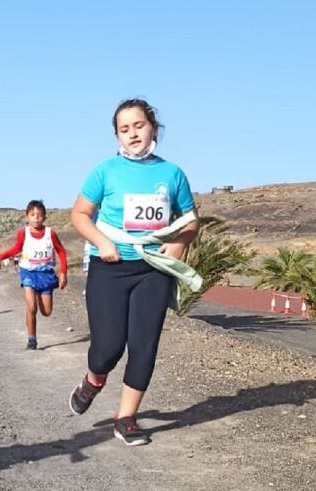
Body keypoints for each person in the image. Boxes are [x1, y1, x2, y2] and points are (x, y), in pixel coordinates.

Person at [67, 98, 202, 446]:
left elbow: (190, 220)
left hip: (153, 269)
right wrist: (102, 241)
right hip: (109, 266)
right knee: (108, 348)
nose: (133, 134)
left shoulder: (172, 174)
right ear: (116, 137)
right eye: (124, 129)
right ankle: (94, 380)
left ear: (153, 128)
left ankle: (126, 418)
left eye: (138, 126)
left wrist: (178, 245)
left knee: (144, 346)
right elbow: (80, 215)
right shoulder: (104, 171)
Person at [0, 200, 68, 349]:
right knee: (31, 307)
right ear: (27, 216)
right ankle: (31, 338)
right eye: (33, 215)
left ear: (44, 217)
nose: (36, 218)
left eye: (39, 215)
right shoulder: (23, 233)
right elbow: (15, 249)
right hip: (28, 272)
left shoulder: (50, 234)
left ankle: (38, 295)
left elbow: (61, 252)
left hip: (46, 274)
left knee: (46, 312)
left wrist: (63, 272)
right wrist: (0, 257)